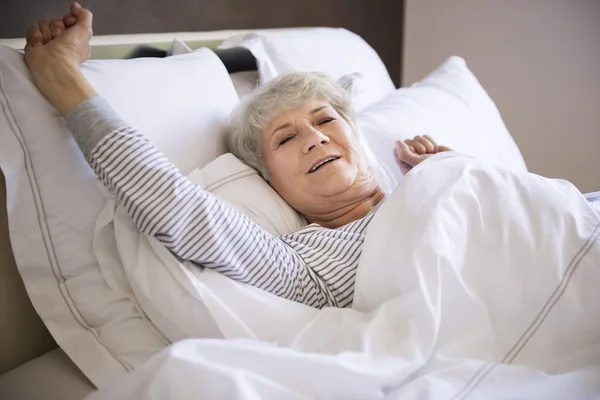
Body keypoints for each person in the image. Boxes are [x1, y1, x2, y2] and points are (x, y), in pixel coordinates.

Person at [24, 3, 452, 309]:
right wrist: (63, 75)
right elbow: (173, 206)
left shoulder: (435, 179)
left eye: (324, 120)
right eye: (285, 139)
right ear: (269, 182)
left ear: (354, 136)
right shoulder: (310, 265)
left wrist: (453, 172)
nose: (314, 140)